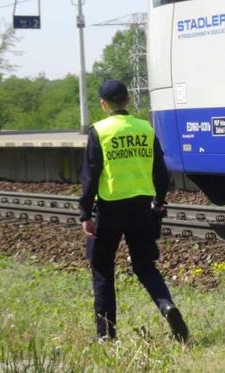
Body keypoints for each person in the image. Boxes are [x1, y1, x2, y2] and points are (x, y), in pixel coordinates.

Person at [79, 80, 189, 343]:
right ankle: (167, 306)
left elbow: (90, 176)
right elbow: (160, 171)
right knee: (144, 265)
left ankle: (107, 336)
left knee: (103, 268)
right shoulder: (145, 129)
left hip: (109, 209)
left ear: (103, 104)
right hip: (141, 207)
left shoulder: (99, 131)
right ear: (128, 100)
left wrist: (85, 213)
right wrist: (159, 201)